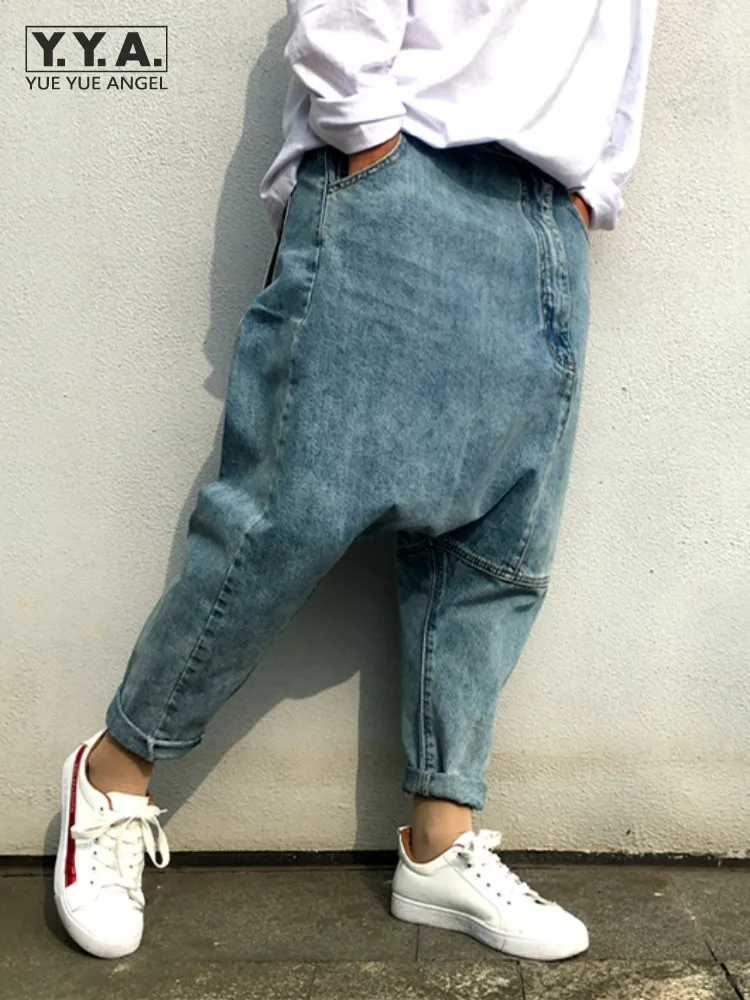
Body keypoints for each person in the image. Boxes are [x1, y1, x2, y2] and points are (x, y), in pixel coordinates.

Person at [54, 0, 658, 963]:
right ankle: (114, 774)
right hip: (402, 169)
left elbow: (625, 38)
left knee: (496, 554)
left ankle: (440, 840)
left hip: (549, 213)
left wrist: (592, 193)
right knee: (284, 517)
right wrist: (370, 142)